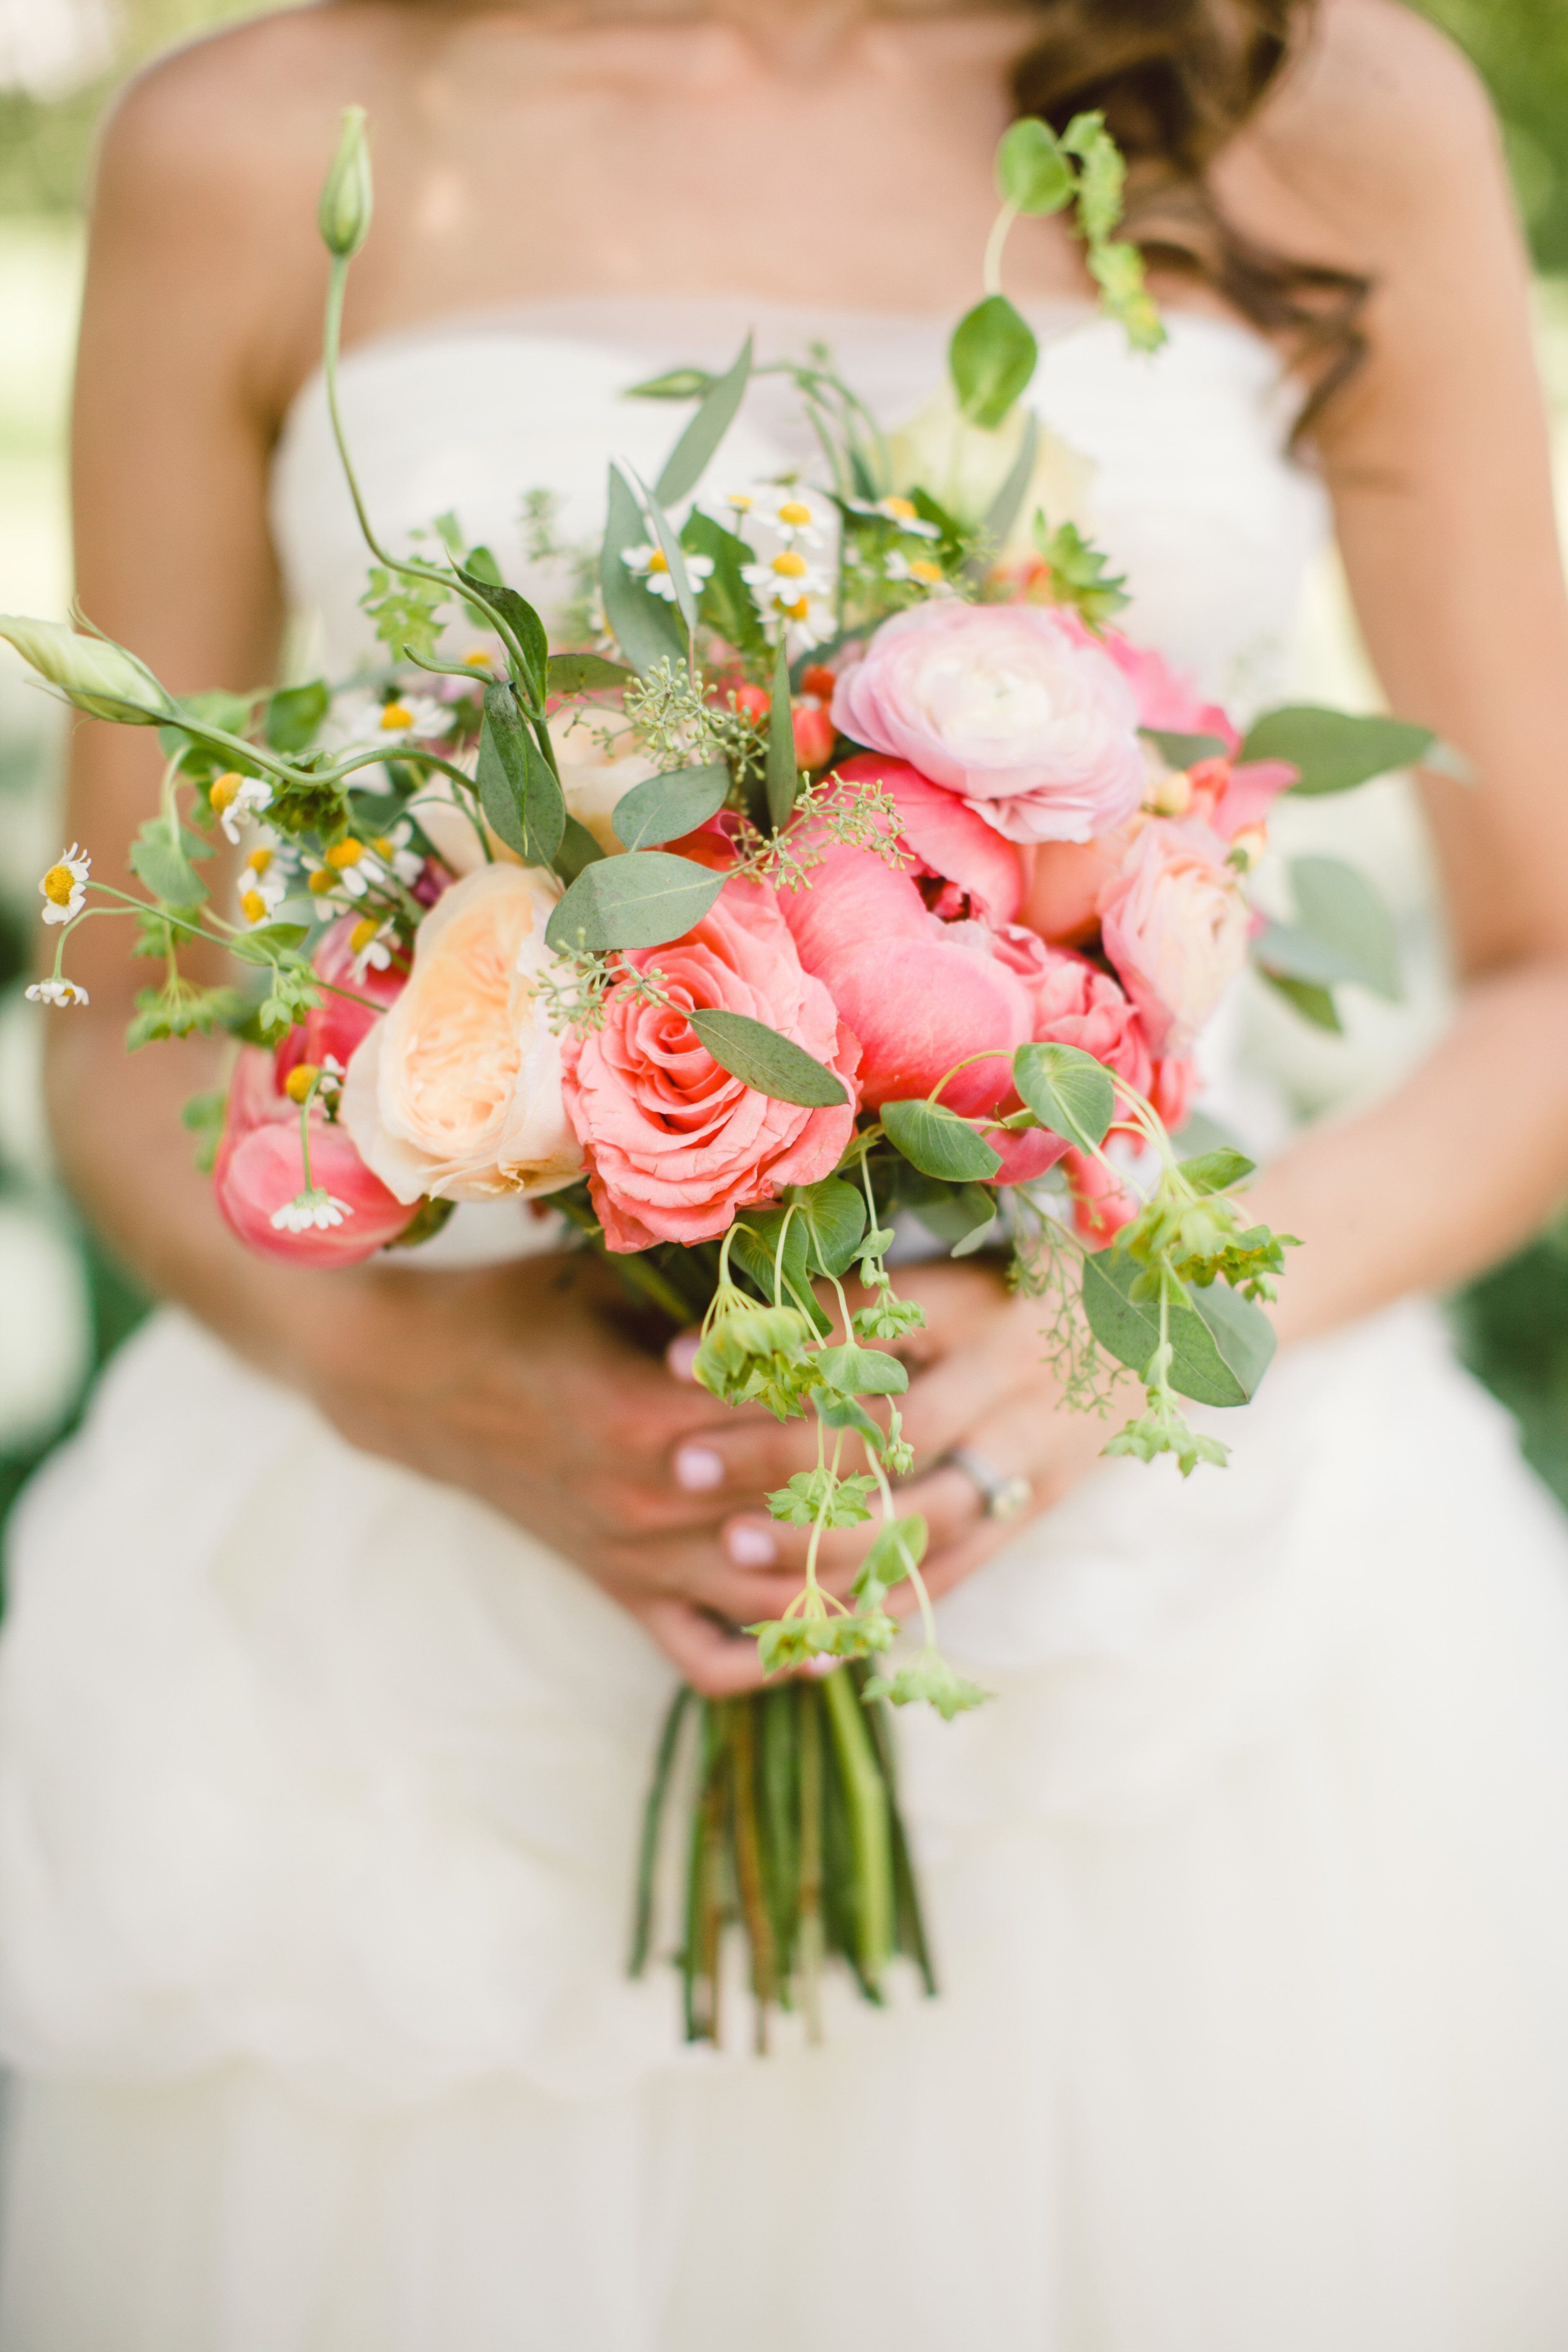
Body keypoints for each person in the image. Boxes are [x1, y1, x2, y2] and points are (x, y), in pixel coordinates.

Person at [5, 0, 1568, 2342]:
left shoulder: (1320, 110)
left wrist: (1094, 1335)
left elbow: (1551, 974)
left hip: (1180, 1646)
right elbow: (96, 987)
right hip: (421, 1634)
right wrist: (399, 1368)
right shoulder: (250, 134)